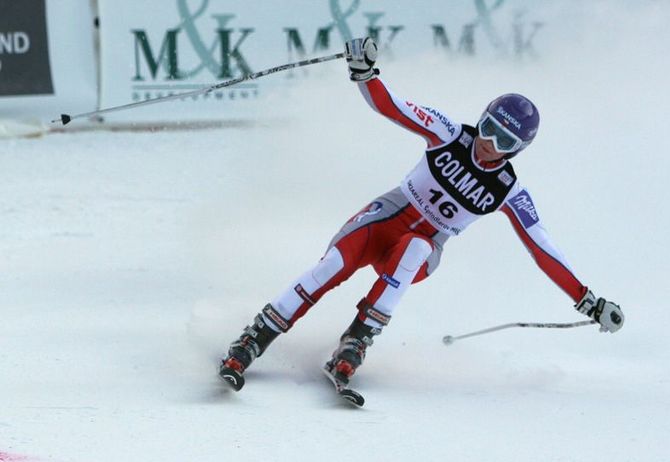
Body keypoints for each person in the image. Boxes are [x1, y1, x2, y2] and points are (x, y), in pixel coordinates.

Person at [218, 37, 624, 391]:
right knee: (332, 266)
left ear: (516, 150)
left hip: (421, 248)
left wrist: (587, 301)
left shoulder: (509, 191)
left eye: (503, 140)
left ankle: (357, 341)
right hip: (385, 218)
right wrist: (364, 72)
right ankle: (256, 337)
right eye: (487, 128)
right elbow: (392, 106)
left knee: (414, 246)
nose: (487, 143)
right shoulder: (449, 133)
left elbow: (543, 249)